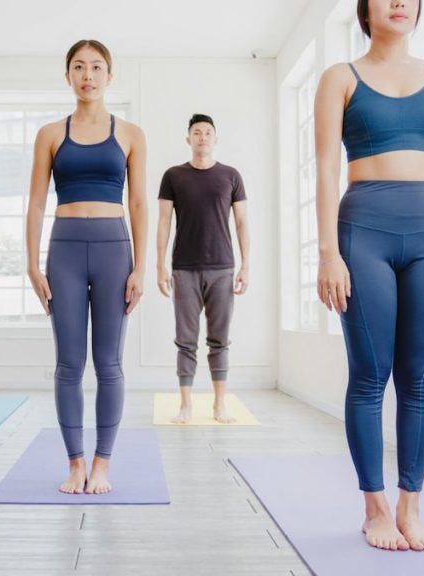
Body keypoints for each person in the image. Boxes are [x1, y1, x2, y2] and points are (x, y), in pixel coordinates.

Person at [313, 0, 424, 552]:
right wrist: (326, 253)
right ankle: (375, 507)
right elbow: (323, 167)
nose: (400, 2)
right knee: (370, 373)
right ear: (365, 9)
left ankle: (411, 506)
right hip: (364, 228)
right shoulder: (341, 77)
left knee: (419, 376)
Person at [26, 39, 147, 495]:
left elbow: (138, 202)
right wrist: (32, 265)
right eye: (79, 67)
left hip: (115, 249)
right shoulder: (51, 134)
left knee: (109, 363)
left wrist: (140, 266)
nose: (88, 75)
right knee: (69, 363)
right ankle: (75, 462)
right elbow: (36, 202)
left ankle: (103, 464)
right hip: (65, 251)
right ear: (68, 76)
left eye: (97, 67)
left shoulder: (131, 134)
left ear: (109, 76)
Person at [156, 113, 250, 424]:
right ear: (188, 139)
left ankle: (219, 405)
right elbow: (164, 222)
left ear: (215, 138)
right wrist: (160, 265)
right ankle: (186, 406)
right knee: (185, 339)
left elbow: (241, 222)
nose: (202, 137)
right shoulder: (173, 176)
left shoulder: (231, 176)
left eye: (208, 132)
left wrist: (246, 265)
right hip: (184, 268)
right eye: (196, 132)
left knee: (219, 339)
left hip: (222, 267)